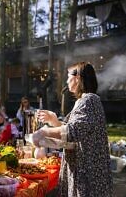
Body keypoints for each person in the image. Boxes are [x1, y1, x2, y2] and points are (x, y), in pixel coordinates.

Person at [32, 62, 113, 197]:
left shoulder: (90, 99)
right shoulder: (82, 101)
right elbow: (72, 132)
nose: (66, 80)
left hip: (89, 173)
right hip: (83, 170)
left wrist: (43, 131)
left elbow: (73, 131)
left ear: (78, 78)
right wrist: (54, 121)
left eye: (68, 76)